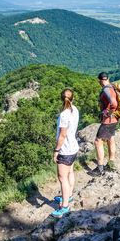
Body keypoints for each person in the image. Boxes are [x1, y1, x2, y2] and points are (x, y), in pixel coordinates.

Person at [52, 88, 79, 217]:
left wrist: (56, 150)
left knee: (62, 179)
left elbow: (62, 135)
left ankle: (65, 206)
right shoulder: (75, 110)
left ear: (61, 99)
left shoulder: (64, 115)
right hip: (74, 147)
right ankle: (68, 196)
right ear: (72, 98)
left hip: (65, 150)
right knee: (70, 173)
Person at [90, 72, 118, 176]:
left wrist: (109, 113)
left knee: (98, 142)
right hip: (114, 119)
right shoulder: (112, 87)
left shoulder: (106, 89)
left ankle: (100, 168)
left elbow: (114, 104)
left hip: (108, 120)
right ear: (108, 78)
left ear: (99, 80)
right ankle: (110, 164)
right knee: (110, 140)